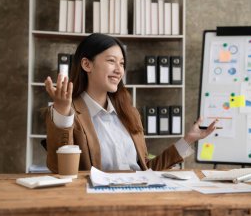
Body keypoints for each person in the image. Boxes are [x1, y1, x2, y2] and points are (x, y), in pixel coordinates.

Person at [44, 33, 217, 173]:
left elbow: (147, 169)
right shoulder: (67, 112)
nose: (119, 70)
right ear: (87, 64)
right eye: (111, 61)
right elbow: (59, 169)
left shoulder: (129, 113)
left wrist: (188, 140)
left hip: (137, 198)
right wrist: (62, 112)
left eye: (122, 63)